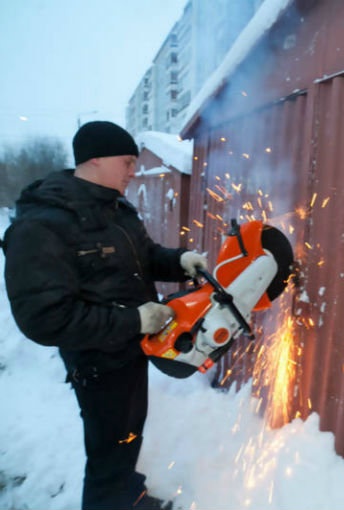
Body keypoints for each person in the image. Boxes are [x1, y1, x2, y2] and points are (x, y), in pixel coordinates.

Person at [2, 121, 207, 510]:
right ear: (94, 158)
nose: (133, 171)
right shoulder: (44, 223)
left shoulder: (116, 208)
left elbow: (143, 257)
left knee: (127, 437)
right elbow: (44, 318)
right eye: (127, 162)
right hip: (96, 359)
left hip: (130, 351)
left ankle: (128, 494)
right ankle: (108, 500)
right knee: (107, 451)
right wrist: (135, 321)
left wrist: (180, 261)